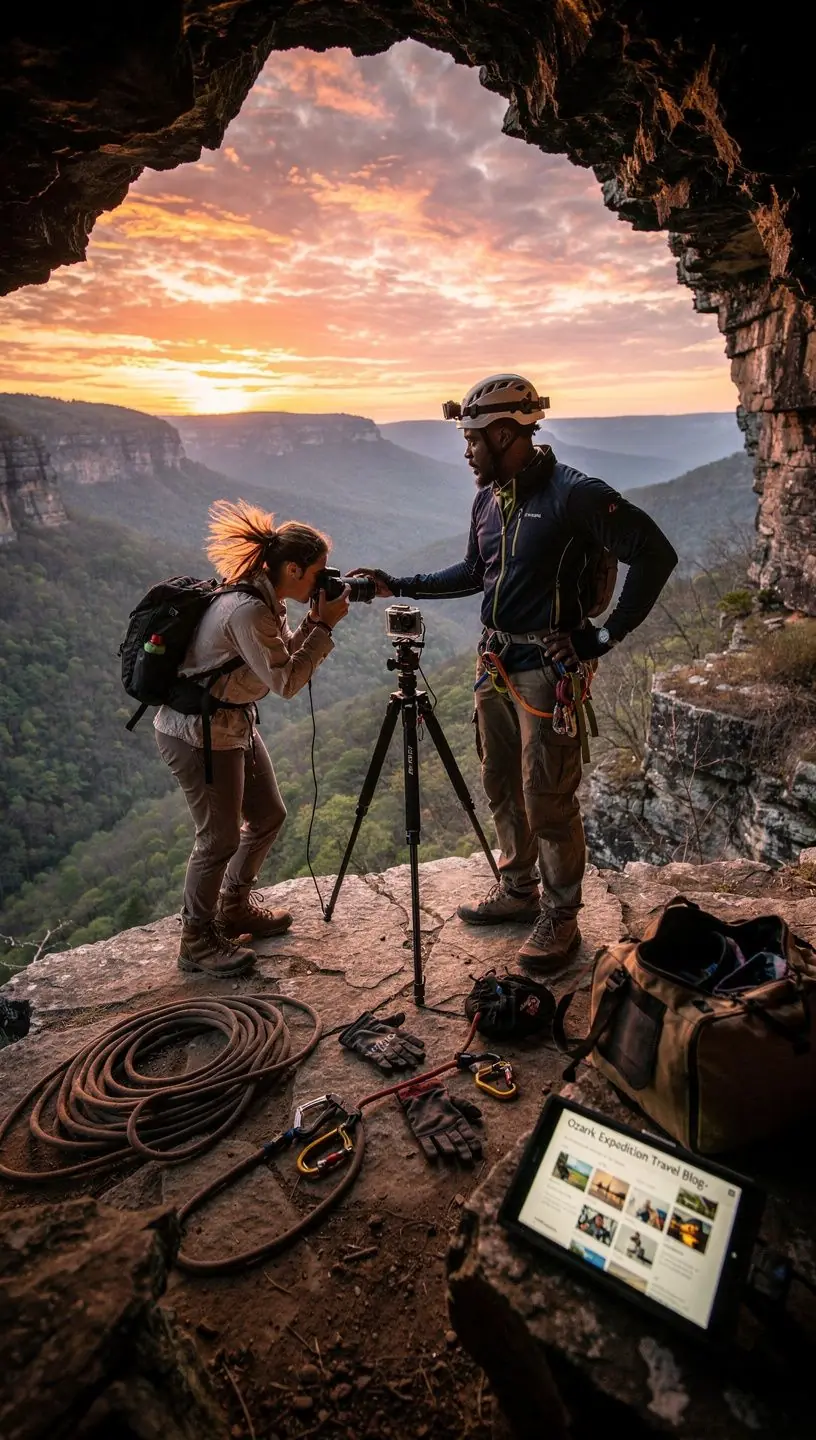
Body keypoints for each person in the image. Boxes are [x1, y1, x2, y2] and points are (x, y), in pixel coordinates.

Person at [352, 374, 677, 967]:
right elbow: (476, 572)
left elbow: (655, 553)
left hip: (546, 673)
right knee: (500, 782)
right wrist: (396, 585)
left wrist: (601, 637)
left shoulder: (574, 495)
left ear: (505, 433)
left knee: (546, 795)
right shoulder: (490, 498)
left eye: (473, 439)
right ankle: (519, 887)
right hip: (495, 663)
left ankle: (561, 915)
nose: (467, 451)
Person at [154, 499, 349, 977]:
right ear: (291, 568)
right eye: (317, 573)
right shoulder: (247, 610)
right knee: (217, 838)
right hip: (197, 734)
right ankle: (195, 939)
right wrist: (323, 626)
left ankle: (234, 905)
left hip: (232, 722)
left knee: (267, 815)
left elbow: (278, 659)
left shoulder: (267, 600)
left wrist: (311, 623)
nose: (321, 582)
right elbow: (283, 683)